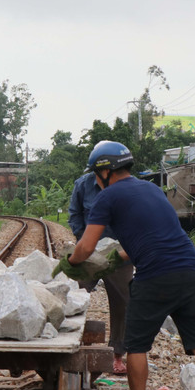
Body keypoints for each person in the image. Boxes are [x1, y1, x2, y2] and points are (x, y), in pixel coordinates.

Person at [65, 140, 195, 390]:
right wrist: (115, 258)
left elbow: (86, 246)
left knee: (137, 345)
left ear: (106, 172)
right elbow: (146, 240)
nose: (94, 181)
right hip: (189, 270)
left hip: (155, 277)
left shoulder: (108, 198)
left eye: (96, 175)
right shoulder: (153, 191)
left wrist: (72, 262)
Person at [68, 149, 134, 375]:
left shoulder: (126, 187)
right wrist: (82, 240)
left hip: (119, 257)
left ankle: (117, 355)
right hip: (89, 253)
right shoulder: (83, 185)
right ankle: (70, 346)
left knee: (122, 303)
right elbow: (75, 213)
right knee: (73, 296)